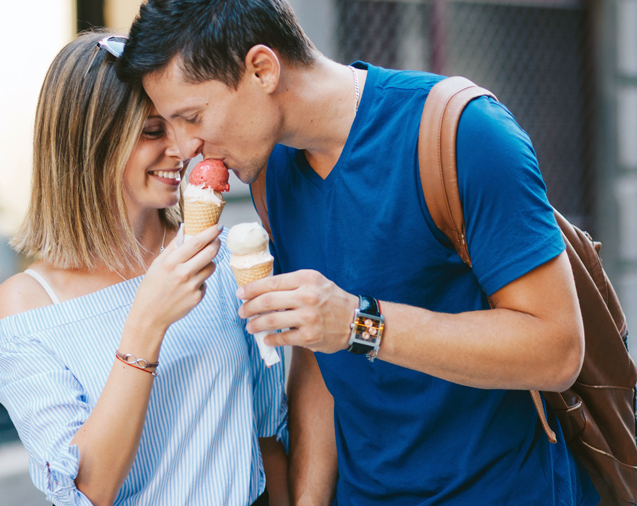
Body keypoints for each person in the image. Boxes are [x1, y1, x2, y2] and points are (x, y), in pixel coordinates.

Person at [116, 1, 598, 505]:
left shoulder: (464, 133)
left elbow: (557, 348)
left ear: (262, 69)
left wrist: (357, 323)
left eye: (191, 117)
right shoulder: (270, 175)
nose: (185, 146)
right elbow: (316, 356)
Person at [0, 32, 288, 506]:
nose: (181, 147)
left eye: (180, 122)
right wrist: (147, 322)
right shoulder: (27, 303)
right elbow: (86, 490)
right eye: (153, 130)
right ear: (90, 144)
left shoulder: (224, 255)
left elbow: (270, 431)